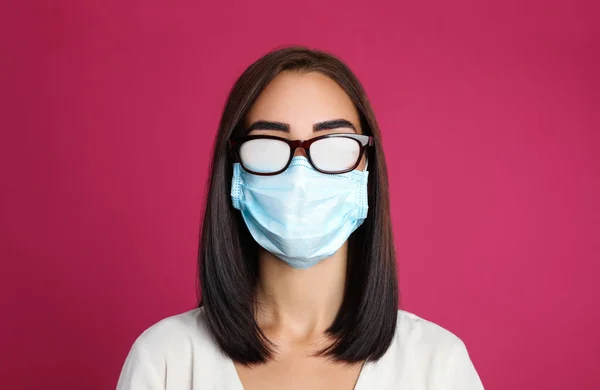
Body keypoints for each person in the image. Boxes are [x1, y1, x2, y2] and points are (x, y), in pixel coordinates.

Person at [116, 46, 484, 389]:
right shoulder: (165, 359)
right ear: (236, 169)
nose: (301, 174)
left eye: (334, 142)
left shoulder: (437, 364)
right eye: (268, 142)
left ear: (365, 167)